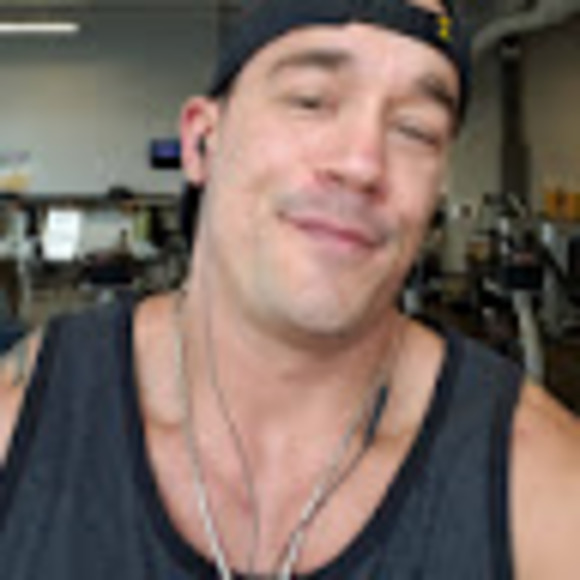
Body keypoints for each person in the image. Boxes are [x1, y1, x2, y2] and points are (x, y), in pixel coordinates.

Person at [1, 0, 579, 578]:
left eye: (415, 130)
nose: (362, 164)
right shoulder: (19, 425)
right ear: (202, 141)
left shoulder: (545, 491)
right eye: (310, 100)